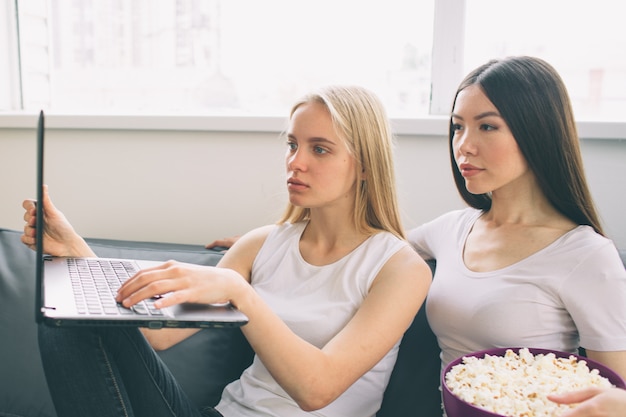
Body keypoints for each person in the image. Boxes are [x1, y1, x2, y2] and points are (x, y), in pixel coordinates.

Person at [21, 85, 432, 417]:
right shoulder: (262, 244)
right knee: (62, 322)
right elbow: (157, 336)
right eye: (292, 145)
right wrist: (78, 254)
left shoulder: (399, 268)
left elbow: (317, 390)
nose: (295, 163)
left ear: (364, 165)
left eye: (319, 149)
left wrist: (239, 291)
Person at [406, 56, 626, 413]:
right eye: (457, 127)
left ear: (537, 131)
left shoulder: (586, 255)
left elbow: (615, 397)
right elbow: (372, 249)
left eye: (487, 127)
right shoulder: (449, 230)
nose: (464, 145)